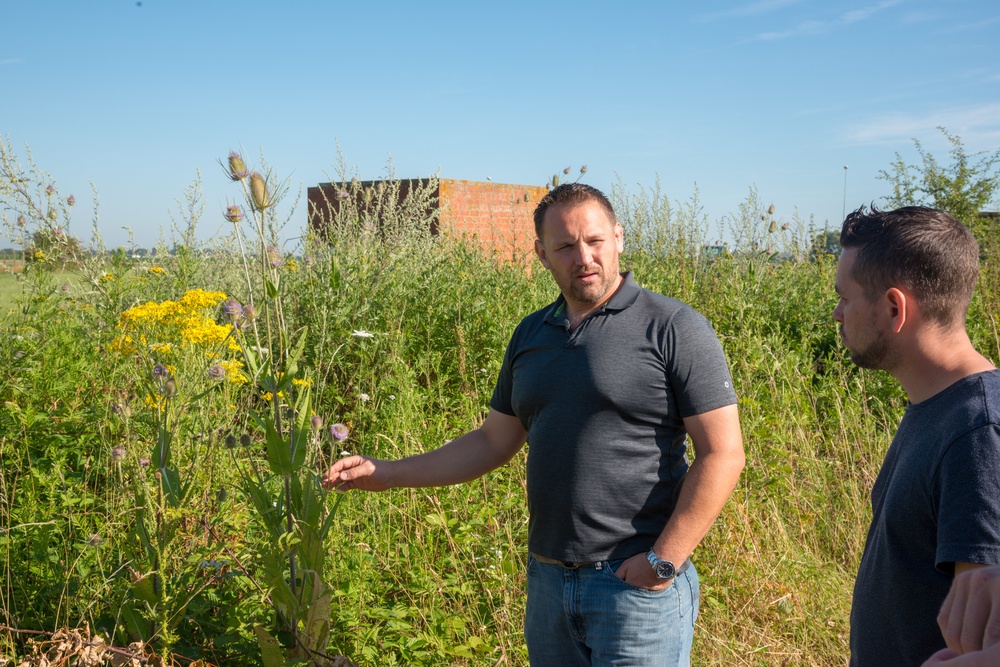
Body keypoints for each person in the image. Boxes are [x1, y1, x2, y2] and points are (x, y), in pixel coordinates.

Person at [323, 183, 745, 666]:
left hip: (635, 589)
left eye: (595, 241)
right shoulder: (531, 333)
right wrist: (385, 473)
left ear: (619, 238)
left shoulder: (673, 327)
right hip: (549, 584)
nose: (582, 257)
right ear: (542, 255)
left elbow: (723, 453)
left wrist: (663, 561)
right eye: (565, 246)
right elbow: (491, 441)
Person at [834, 206, 1000, 666]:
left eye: (846, 298)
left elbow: (982, 637)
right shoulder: (941, 407)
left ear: (894, 307)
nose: (837, 313)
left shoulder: (978, 433)